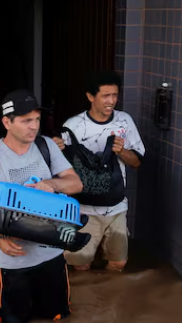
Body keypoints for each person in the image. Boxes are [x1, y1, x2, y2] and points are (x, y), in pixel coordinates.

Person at [0, 89, 84, 323]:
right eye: (26, 120)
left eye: (37, 120)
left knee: (58, 320)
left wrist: (52, 183)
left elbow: (76, 184)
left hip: (50, 253)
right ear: (6, 122)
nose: (34, 126)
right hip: (12, 260)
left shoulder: (46, 147)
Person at [53, 71, 145, 272]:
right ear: (90, 96)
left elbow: (137, 162)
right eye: (105, 95)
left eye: (114, 95)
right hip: (83, 209)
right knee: (80, 265)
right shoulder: (73, 126)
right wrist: (55, 148)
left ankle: (110, 302)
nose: (111, 101)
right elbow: (58, 168)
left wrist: (121, 151)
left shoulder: (124, 122)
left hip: (116, 207)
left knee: (118, 263)